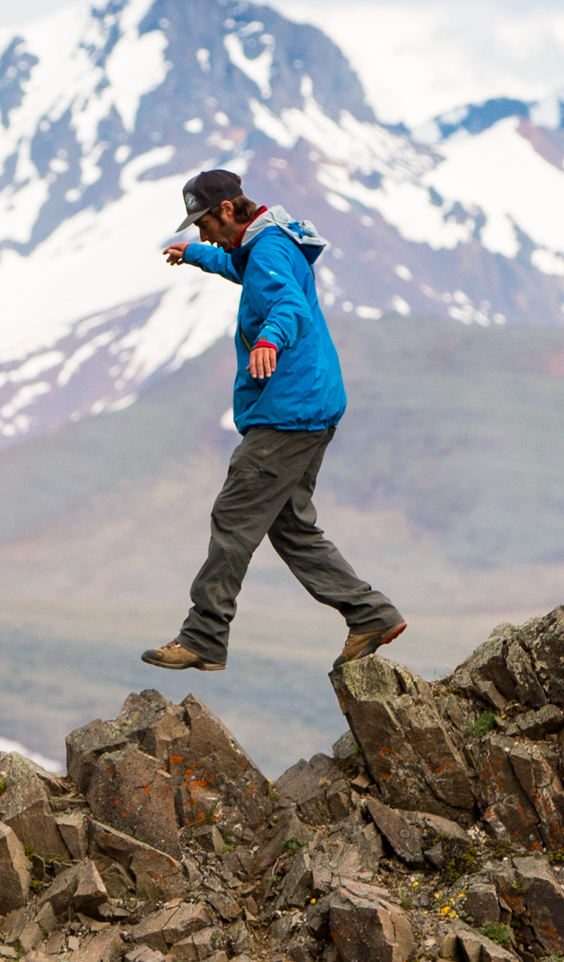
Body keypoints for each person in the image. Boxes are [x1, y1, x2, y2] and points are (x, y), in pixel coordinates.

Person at [140, 168, 407, 674]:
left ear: (226, 210)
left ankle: (204, 636)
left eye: (204, 225)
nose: (201, 233)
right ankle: (370, 614)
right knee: (291, 528)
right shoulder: (265, 244)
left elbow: (285, 302)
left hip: (288, 411)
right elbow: (248, 271)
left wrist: (268, 341)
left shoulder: (268, 250)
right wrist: (197, 256)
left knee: (234, 516)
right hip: (307, 405)